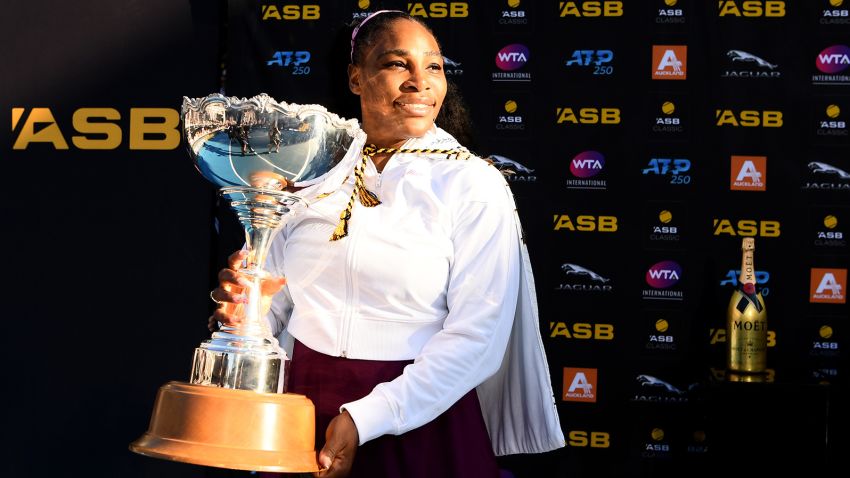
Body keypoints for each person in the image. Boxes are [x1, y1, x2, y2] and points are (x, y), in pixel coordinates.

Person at [209, 10, 564, 478]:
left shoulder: (473, 183)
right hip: (302, 413)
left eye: (434, 66)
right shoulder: (310, 173)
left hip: (421, 419)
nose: (420, 82)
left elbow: (478, 338)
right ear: (356, 78)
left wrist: (365, 418)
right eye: (398, 64)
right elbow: (275, 304)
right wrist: (246, 312)